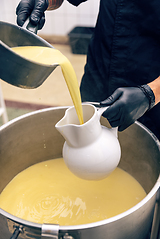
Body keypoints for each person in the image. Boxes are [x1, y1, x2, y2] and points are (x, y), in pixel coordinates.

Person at [16, 0, 160, 139]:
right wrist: (44, 1)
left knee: (147, 150)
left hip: (148, 86)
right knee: (85, 139)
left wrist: (151, 94)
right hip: (99, 71)